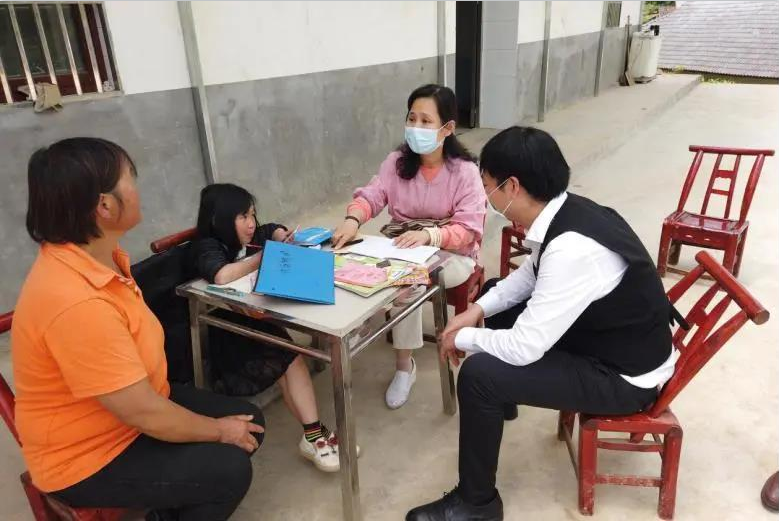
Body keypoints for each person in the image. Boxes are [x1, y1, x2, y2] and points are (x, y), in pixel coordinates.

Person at [406, 127, 680, 521]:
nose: (486, 194)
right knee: (497, 296)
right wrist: (475, 311)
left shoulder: (571, 249)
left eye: (487, 184)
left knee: (479, 375)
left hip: (623, 378)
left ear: (512, 186)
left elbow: (524, 347)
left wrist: (460, 337)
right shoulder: (567, 210)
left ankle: (476, 504)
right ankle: (500, 404)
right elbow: (529, 276)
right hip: (613, 341)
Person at [12, 138, 263, 520]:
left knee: (250, 424)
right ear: (105, 206)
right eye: (131, 178)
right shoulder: (76, 302)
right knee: (230, 469)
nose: (138, 188)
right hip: (90, 455)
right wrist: (218, 430)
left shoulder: (101, 260)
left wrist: (221, 428)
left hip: (133, 408)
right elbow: (142, 413)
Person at [332, 84, 486, 410]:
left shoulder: (465, 172)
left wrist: (430, 236)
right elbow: (373, 196)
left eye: (426, 121)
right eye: (411, 118)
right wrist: (352, 220)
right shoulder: (396, 163)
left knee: (409, 282)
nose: (416, 127)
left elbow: (469, 228)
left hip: (452, 254)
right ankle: (365, 322)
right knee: (355, 261)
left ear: (447, 128)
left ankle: (404, 367)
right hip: (402, 244)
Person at [191, 182, 352, 472]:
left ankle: (313, 434)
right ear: (220, 219)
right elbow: (221, 275)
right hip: (224, 329)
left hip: (250, 316)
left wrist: (281, 235)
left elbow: (271, 229)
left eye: (253, 214)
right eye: (243, 217)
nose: (252, 223)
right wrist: (264, 256)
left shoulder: (249, 235)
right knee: (289, 358)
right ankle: (314, 435)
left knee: (290, 356)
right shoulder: (207, 246)